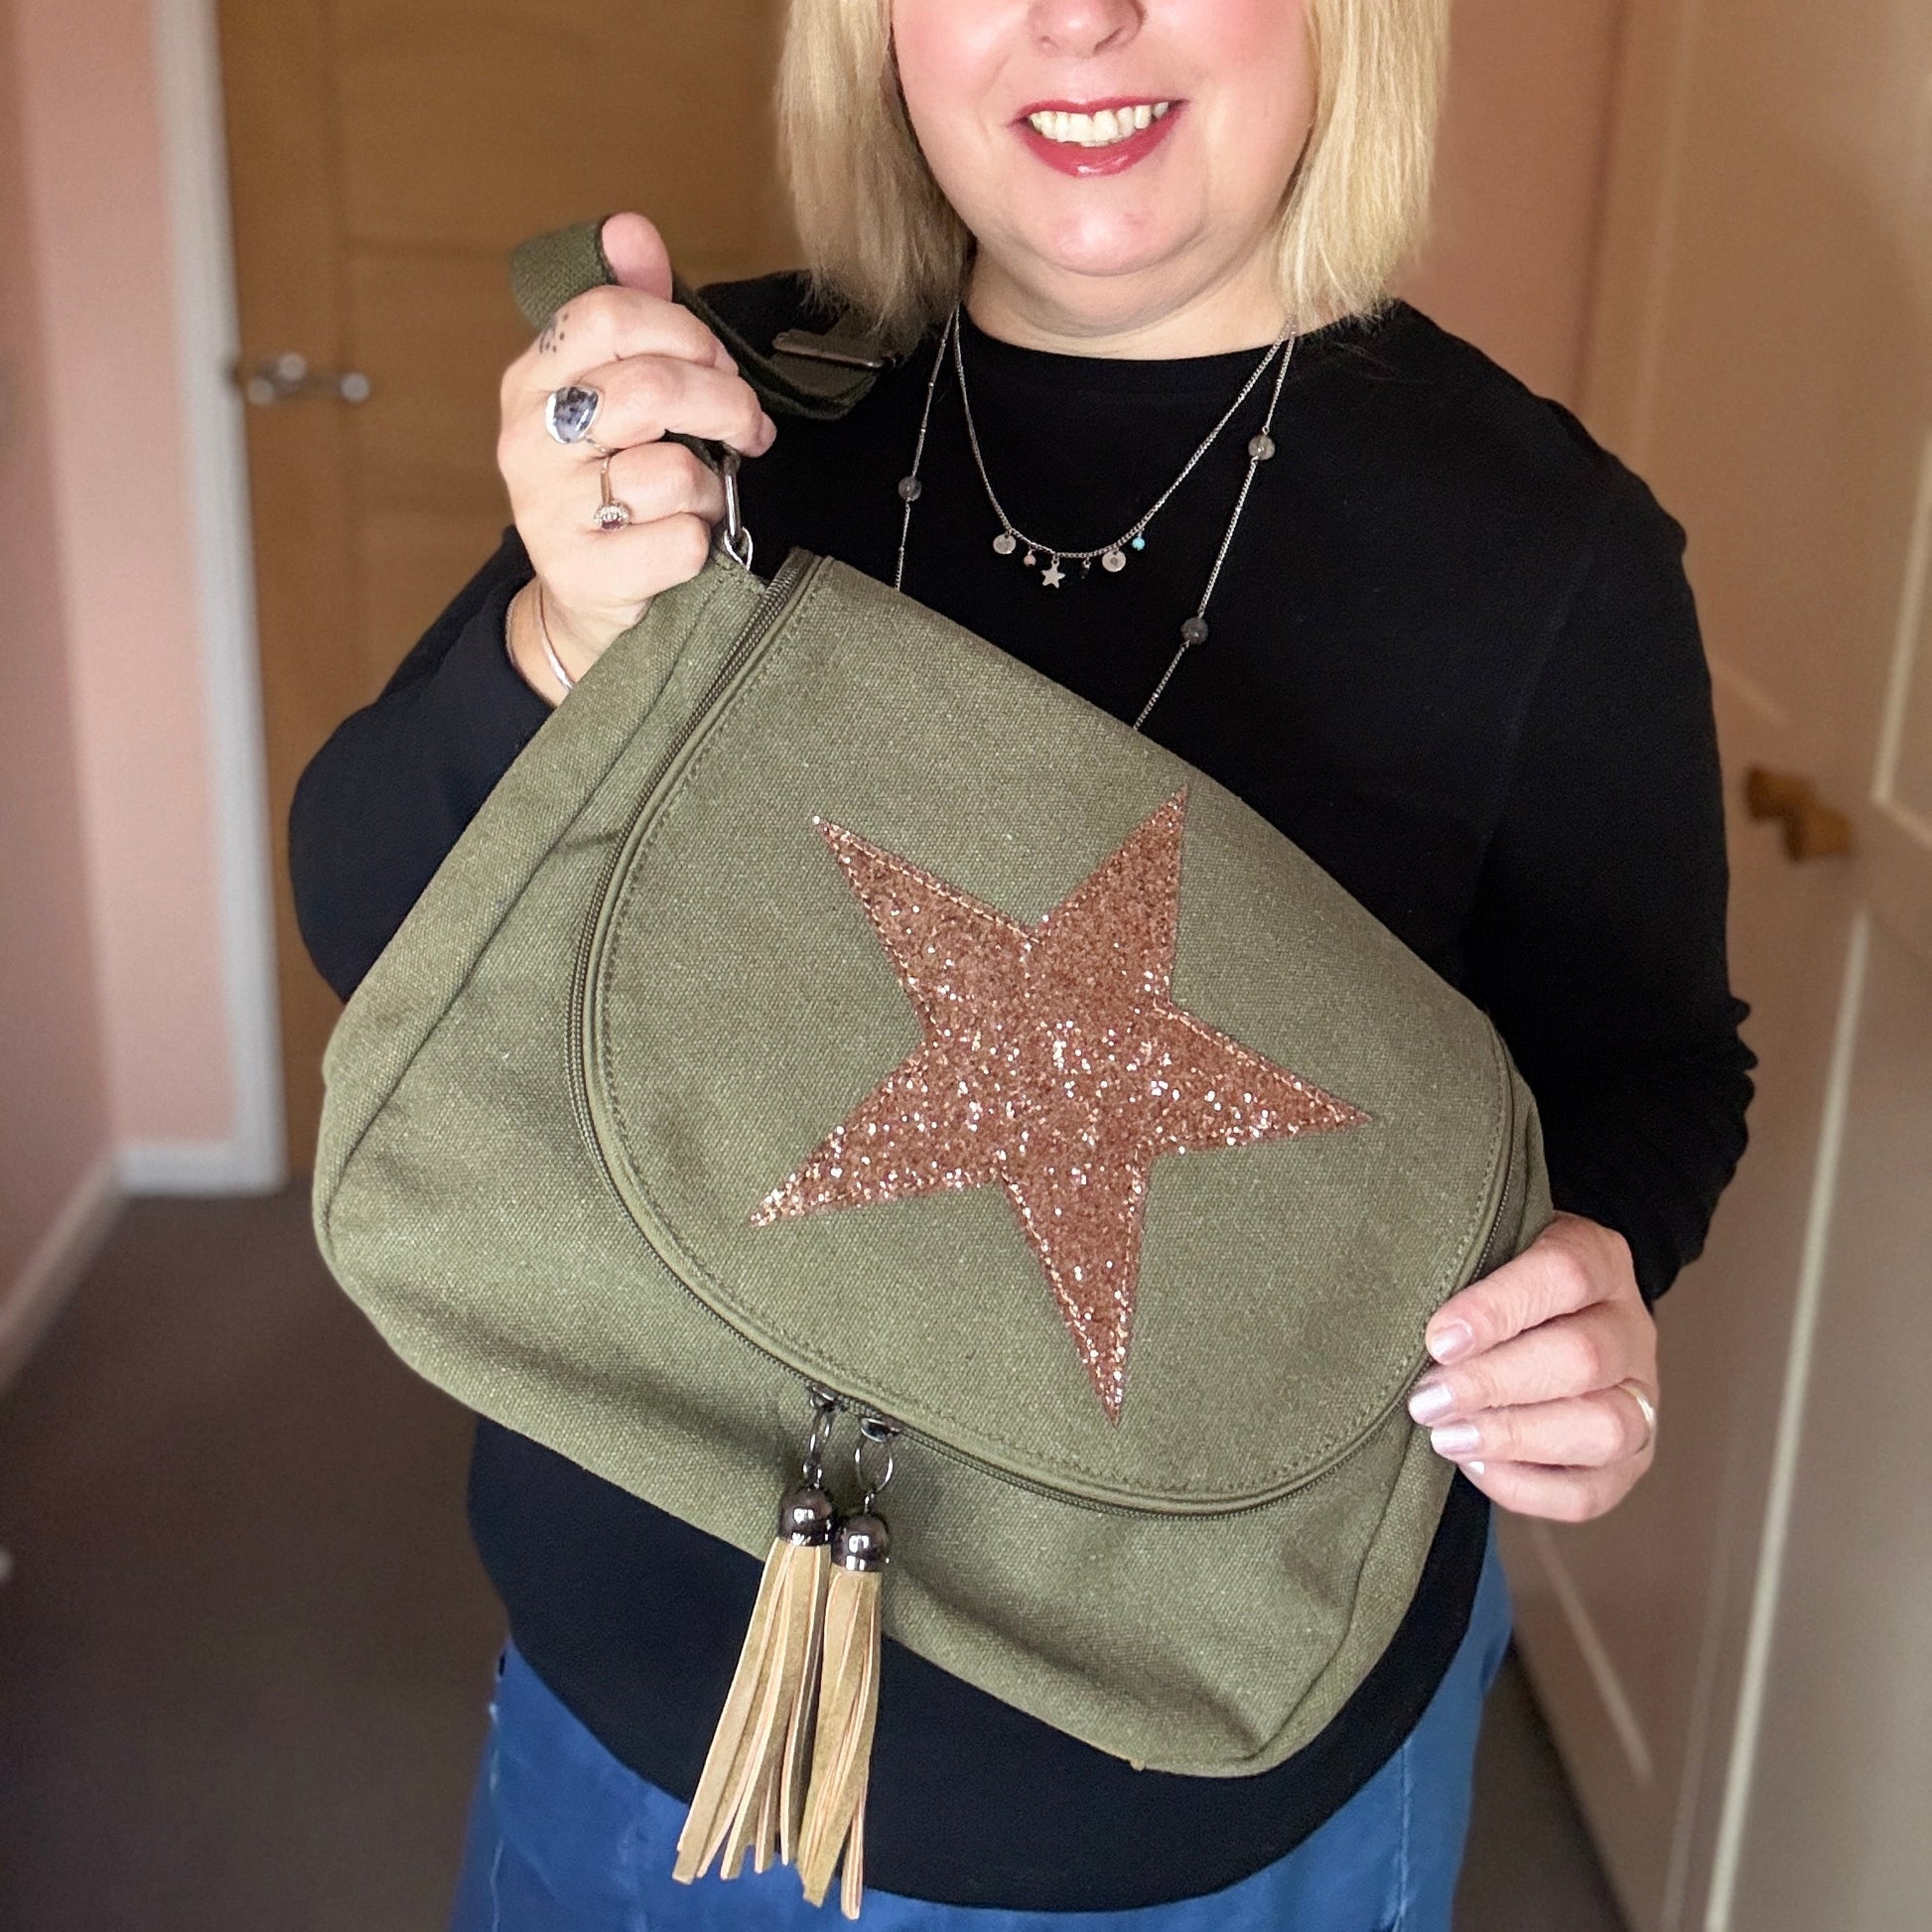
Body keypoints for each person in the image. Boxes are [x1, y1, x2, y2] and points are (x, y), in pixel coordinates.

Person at [291, 1, 1754, 1925]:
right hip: (629, 1711)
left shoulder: (1554, 550)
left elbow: (1649, 1069)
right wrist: (564, 635)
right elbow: (374, 921)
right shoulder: (703, 418)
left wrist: (1599, 1281)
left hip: (1196, 1802)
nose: (1077, 14)